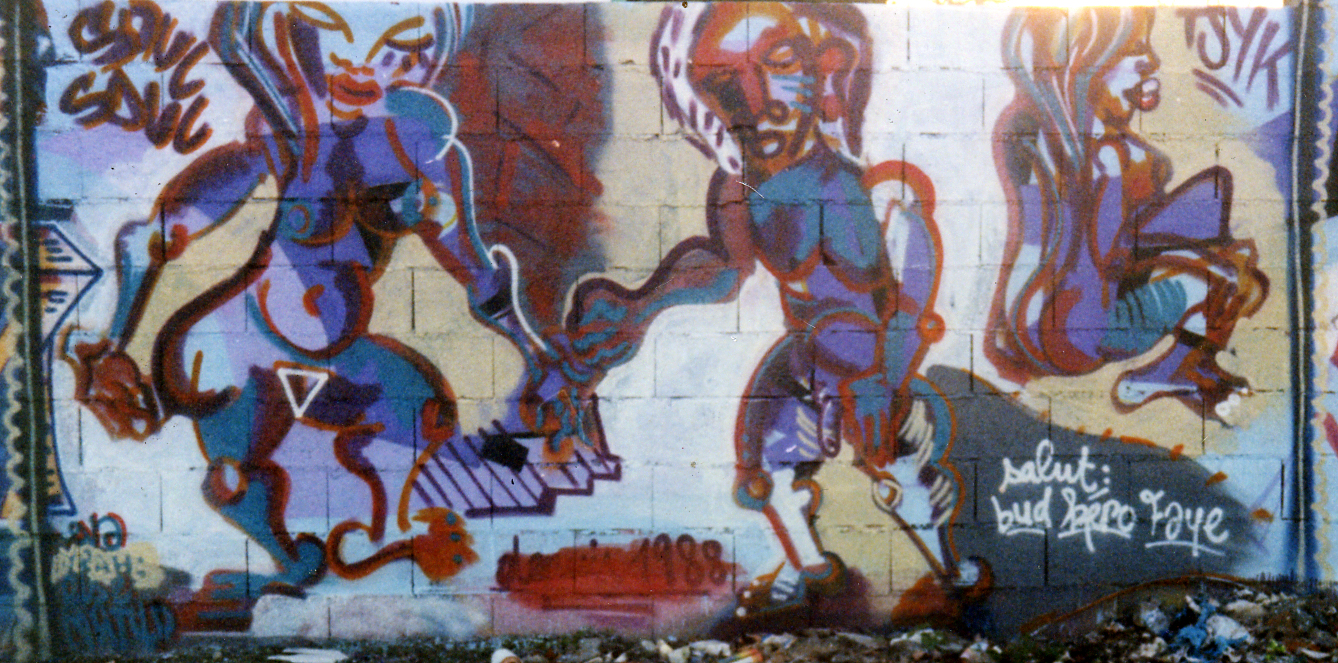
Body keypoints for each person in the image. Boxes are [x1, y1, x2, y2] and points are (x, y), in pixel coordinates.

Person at [66, 2, 577, 618]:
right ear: (302, 39)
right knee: (233, 473)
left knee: (424, 415)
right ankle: (297, 562)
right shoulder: (283, 133)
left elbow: (479, 274)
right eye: (339, 41)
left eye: (397, 47)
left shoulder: (421, 147)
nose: (363, 66)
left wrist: (536, 358)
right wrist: (112, 343)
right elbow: (155, 236)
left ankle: (380, 557)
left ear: (426, 55)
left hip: (334, 355)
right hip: (237, 344)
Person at [567, 3, 973, 616]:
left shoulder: (849, 187)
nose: (756, 100)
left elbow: (898, 291)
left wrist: (879, 378)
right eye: (724, 84)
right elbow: (723, 271)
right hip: (806, 353)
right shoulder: (740, 187)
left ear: (824, 69)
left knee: (899, 470)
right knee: (768, 471)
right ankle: (807, 566)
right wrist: (642, 306)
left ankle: (950, 570)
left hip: (869, 357)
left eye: (779, 65)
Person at [988, 8, 1269, 422]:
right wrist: (1202, 261)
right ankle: (1162, 374)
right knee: (1232, 279)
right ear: (1089, 62)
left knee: (1212, 202)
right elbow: (1110, 258)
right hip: (1084, 333)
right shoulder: (1105, 157)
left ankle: (1188, 366)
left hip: (1030, 328)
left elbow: (1044, 244)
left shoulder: (1033, 134)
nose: (1151, 60)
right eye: (1136, 48)